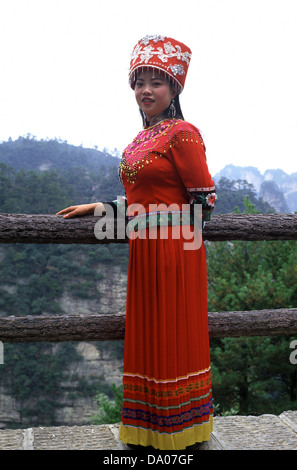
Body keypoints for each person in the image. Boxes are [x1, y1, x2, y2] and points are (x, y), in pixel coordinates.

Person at [57, 35, 217, 450]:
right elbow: (145, 199)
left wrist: (145, 221)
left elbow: (204, 204)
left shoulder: (183, 133)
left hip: (176, 252)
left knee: (171, 332)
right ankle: (147, 430)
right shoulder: (140, 139)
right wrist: (101, 207)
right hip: (145, 251)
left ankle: (177, 432)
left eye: (156, 82)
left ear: (174, 88)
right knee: (148, 333)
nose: (145, 90)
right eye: (139, 82)